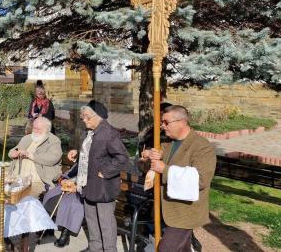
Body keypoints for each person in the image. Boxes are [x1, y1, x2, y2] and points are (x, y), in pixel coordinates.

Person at [139, 105, 216, 252]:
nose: (162, 126)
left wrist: (164, 169)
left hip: (185, 213)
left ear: (182, 122)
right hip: (166, 209)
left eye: (166, 122)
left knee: (166, 249)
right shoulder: (166, 145)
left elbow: (201, 179)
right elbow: (144, 169)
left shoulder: (202, 147)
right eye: (162, 122)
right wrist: (146, 157)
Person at [68, 100, 128, 252]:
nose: (84, 119)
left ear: (98, 116)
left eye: (87, 117)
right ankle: (95, 248)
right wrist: (78, 152)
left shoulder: (109, 133)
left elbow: (122, 157)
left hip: (103, 186)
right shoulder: (89, 132)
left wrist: (105, 171)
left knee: (106, 223)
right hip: (88, 183)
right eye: (83, 117)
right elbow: (91, 151)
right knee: (91, 219)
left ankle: (109, 250)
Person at [8, 117, 62, 197]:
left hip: (37, 182)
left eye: (39, 129)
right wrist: (13, 153)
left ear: (47, 129)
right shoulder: (27, 138)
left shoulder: (53, 141)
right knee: (0, 194)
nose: (35, 131)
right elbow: (13, 150)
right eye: (34, 128)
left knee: (22, 198)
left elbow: (53, 158)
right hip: (17, 179)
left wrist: (30, 155)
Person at [42, 149, 85, 248]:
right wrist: (63, 181)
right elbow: (66, 175)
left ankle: (65, 234)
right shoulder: (80, 163)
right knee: (50, 195)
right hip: (69, 185)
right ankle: (49, 227)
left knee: (71, 202)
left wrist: (76, 186)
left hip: (82, 190)